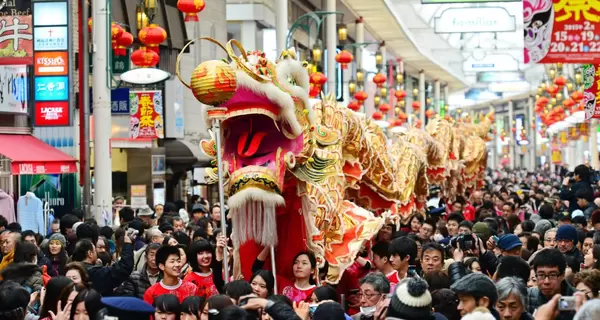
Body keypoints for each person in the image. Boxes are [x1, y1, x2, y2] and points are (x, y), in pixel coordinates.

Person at [526, 248, 575, 319]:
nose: (546, 282)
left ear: (562, 275)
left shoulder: (576, 300)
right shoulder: (528, 296)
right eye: (541, 275)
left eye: (552, 275)